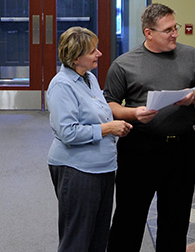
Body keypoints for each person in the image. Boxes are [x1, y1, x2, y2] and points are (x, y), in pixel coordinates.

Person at [104, 3, 195, 251]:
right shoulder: (124, 64)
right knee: (129, 218)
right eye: (168, 30)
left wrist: (194, 98)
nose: (175, 33)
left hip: (182, 149)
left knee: (175, 220)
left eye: (175, 27)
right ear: (149, 33)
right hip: (140, 149)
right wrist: (133, 113)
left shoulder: (192, 55)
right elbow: (109, 104)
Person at [47, 27, 133, 252]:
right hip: (77, 169)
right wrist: (107, 128)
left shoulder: (89, 78)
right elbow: (68, 133)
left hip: (103, 167)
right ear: (76, 58)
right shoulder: (61, 85)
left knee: (98, 236)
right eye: (93, 50)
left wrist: (117, 124)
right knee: (76, 239)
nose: (100, 54)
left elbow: (99, 113)